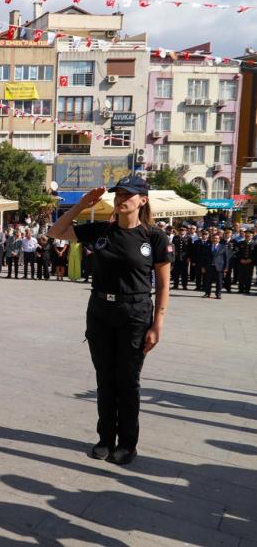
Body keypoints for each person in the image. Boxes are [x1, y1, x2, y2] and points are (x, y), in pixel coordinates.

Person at [48, 175, 172, 465]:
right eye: (118, 194)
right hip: (101, 312)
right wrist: (81, 204)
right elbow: (57, 232)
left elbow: (164, 284)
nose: (121, 199)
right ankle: (106, 438)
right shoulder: (101, 231)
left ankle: (127, 443)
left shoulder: (154, 236)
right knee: (105, 379)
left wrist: (158, 323)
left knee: (127, 381)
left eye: (128, 195)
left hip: (136, 313)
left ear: (142, 200)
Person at [202, 232, 229, 299]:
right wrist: (203, 267)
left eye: (216, 238)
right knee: (208, 281)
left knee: (219, 282)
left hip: (219, 267)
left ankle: (218, 294)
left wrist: (226, 268)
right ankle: (207, 293)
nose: (215, 239)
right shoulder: (207, 246)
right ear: (211, 239)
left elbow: (226, 258)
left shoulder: (223, 247)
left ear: (219, 239)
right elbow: (203, 257)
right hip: (209, 266)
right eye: (213, 238)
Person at [235, 229, 254, 294]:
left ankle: (247, 289)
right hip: (241, 262)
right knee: (241, 276)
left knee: (248, 277)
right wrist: (240, 259)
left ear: (252, 236)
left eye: (249, 235)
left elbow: (255, 254)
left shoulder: (255, 244)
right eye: (246, 235)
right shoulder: (240, 243)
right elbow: (237, 252)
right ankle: (240, 289)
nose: (247, 236)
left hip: (250, 262)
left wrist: (251, 259)